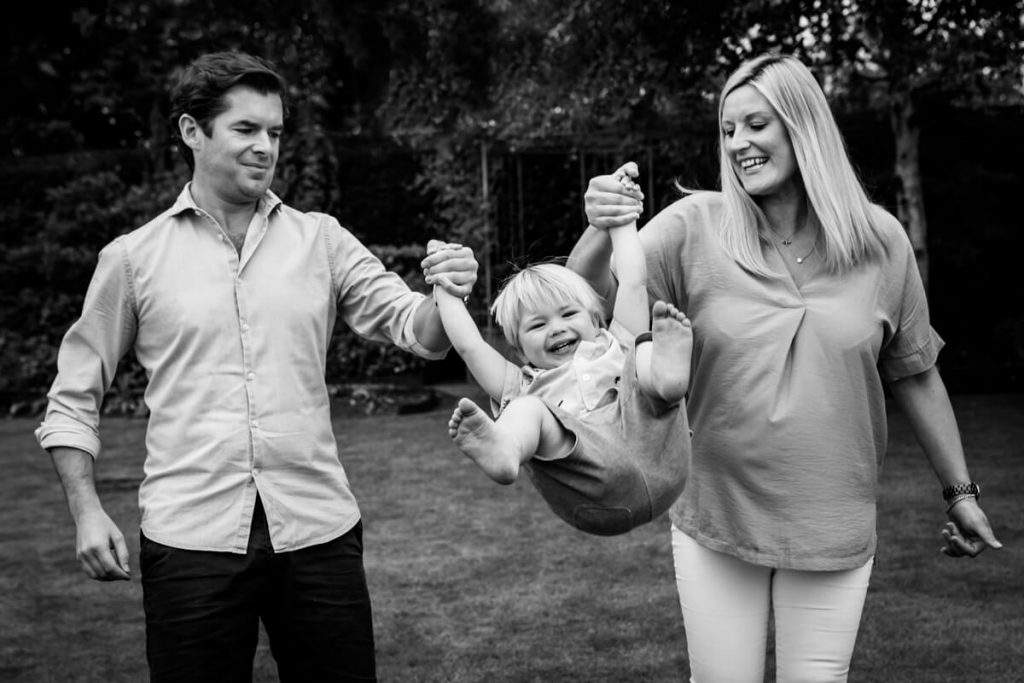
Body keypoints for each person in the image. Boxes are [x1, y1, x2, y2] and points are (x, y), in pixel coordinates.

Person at [34, 50, 477, 682]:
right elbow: (73, 397)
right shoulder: (131, 259)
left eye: (274, 132)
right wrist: (85, 509)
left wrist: (446, 292)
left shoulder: (320, 238)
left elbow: (417, 330)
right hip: (191, 540)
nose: (265, 147)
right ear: (193, 131)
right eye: (245, 130)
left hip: (319, 530)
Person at [567, 53, 1002, 681]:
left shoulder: (880, 242)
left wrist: (960, 493)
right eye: (727, 129)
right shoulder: (695, 225)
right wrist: (598, 225)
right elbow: (575, 306)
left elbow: (914, 372)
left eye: (756, 124)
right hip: (717, 516)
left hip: (834, 524)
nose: (738, 142)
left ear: (802, 126)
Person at [428, 165, 691, 537]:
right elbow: (469, 346)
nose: (557, 328)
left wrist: (622, 218)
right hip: (592, 492)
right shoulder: (520, 384)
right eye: (537, 325)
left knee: (640, 349)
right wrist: (445, 286)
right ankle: (507, 448)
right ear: (518, 347)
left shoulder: (613, 340)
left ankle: (667, 376)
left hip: (658, 452)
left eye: (568, 313)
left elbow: (633, 278)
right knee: (527, 408)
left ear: (596, 318)